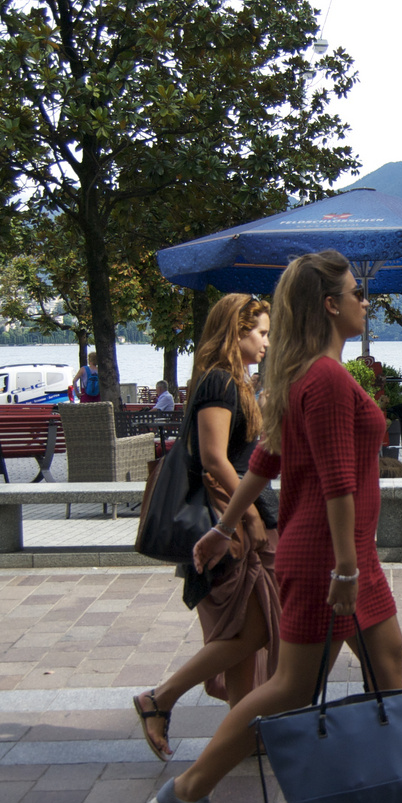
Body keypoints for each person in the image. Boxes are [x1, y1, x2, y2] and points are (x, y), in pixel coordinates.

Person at [145, 251, 402, 803]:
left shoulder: (307, 374)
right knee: (292, 688)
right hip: (329, 556)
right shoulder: (322, 380)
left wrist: (223, 526)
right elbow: (335, 480)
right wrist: (346, 567)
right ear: (330, 305)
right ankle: (187, 792)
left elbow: (269, 458)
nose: (365, 301)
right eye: (357, 293)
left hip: (345, 554)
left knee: (389, 660)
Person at [133, 296, 280, 763]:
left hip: (235, 515)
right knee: (251, 629)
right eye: (260, 332)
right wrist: (249, 514)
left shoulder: (236, 382)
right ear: (235, 332)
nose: (267, 341)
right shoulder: (220, 381)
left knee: (243, 630)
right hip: (229, 519)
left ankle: (241, 728)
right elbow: (215, 457)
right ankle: (162, 697)